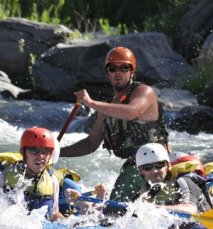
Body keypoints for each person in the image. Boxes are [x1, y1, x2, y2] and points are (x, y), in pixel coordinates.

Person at [60, 47, 169, 201]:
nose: (118, 72)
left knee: (111, 213)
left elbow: (131, 112)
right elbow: (90, 144)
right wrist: (55, 151)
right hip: (134, 167)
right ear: (108, 73)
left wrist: (91, 103)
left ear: (132, 71)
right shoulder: (107, 108)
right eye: (113, 68)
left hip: (155, 165)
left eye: (124, 68)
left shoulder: (144, 92)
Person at [132, 143, 213, 229]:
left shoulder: (184, 182)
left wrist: (154, 208)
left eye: (159, 165)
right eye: (148, 167)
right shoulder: (146, 194)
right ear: (141, 171)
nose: (154, 171)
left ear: (168, 166)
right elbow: (127, 215)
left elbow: (190, 210)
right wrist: (102, 206)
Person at [0, 127, 65, 221]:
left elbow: (53, 214)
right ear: (23, 152)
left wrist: (71, 225)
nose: (40, 156)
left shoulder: (53, 182)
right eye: (34, 150)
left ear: (51, 154)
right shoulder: (4, 176)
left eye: (45, 151)